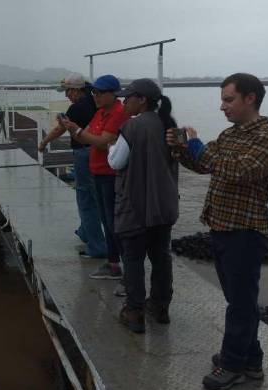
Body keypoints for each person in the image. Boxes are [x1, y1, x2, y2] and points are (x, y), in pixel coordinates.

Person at [167, 73, 268, 390]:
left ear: (250, 99)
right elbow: (206, 165)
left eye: (228, 99)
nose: (222, 106)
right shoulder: (230, 135)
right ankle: (252, 361)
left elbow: (239, 171)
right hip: (221, 227)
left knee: (241, 303)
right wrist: (182, 150)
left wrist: (196, 145)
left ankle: (232, 365)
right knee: (238, 299)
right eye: (222, 99)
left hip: (245, 232)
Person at [107, 78, 179, 334]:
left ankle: (134, 311)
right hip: (164, 207)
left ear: (142, 100)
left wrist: (110, 148)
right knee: (161, 257)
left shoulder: (132, 127)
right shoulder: (169, 125)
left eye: (129, 97)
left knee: (133, 259)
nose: (124, 101)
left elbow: (115, 163)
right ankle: (160, 307)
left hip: (136, 206)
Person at [62, 74, 129, 280]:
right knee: (106, 219)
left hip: (111, 174)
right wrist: (73, 129)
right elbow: (88, 136)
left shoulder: (118, 113)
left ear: (113, 93)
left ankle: (119, 265)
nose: (96, 96)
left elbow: (102, 142)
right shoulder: (100, 112)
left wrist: (78, 131)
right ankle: (112, 262)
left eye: (100, 93)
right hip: (97, 172)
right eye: (94, 92)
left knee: (112, 220)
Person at [39, 74, 107, 259]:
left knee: (86, 201)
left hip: (84, 155)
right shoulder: (98, 103)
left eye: (68, 91)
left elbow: (59, 129)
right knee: (97, 197)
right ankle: (86, 233)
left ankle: (97, 246)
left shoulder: (77, 108)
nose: (66, 95)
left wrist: (43, 143)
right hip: (102, 153)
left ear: (77, 90)